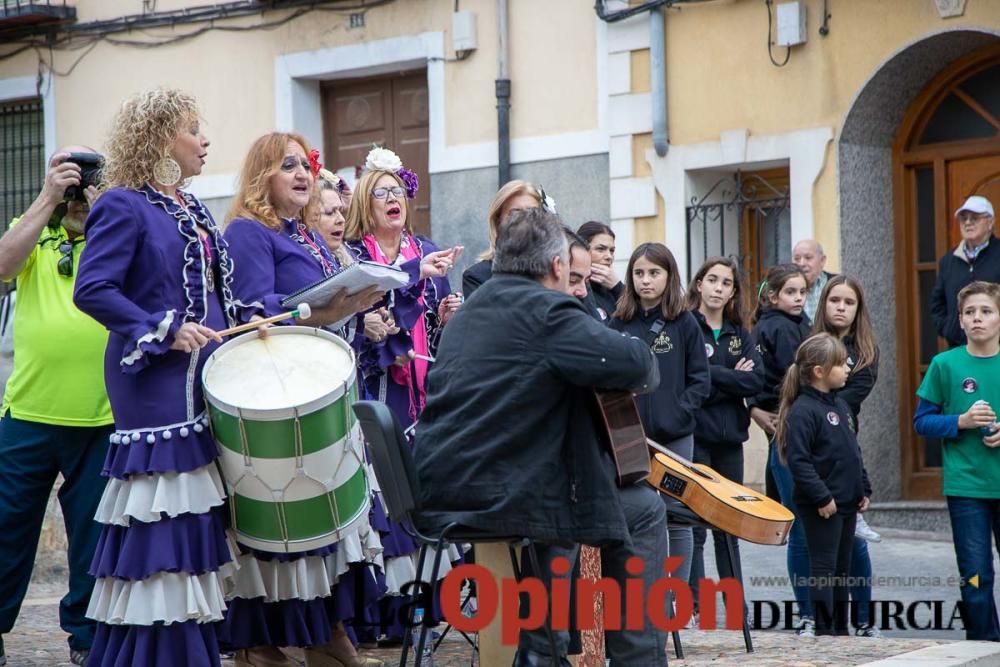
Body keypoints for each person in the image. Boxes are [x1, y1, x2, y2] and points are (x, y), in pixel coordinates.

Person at [414, 208, 668, 666]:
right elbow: (639, 366)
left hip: (444, 489)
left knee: (570, 498)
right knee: (644, 509)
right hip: (507, 492)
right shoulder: (549, 312)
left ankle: (541, 648)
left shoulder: (468, 316)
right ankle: (619, 659)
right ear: (556, 266)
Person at [72, 88, 248, 666]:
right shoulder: (123, 204)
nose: (205, 140)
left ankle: (190, 647)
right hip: (151, 382)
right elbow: (92, 289)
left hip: (200, 379)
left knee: (194, 512)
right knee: (163, 512)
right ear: (160, 139)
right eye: (193, 129)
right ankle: (156, 654)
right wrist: (163, 329)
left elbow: (215, 296)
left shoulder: (191, 209)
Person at [221, 133, 385, 667]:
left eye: (305, 165)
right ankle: (264, 644)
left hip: (315, 388)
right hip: (277, 394)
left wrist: (350, 301)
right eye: (286, 165)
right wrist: (334, 308)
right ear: (261, 175)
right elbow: (252, 315)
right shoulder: (249, 232)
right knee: (286, 526)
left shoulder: (299, 232)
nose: (302, 173)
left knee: (327, 521)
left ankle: (327, 633)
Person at [344, 147, 463, 645]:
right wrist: (369, 327)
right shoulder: (354, 255)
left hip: (422, 393)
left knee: (421, 488)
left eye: (397, 192)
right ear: (365, 206)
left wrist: (447, 319)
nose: (392, 200)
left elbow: (438, 335)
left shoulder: (427, 248)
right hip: (377, 392)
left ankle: (422, 605)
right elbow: (348, 321)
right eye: (380, 193)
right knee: (386, 492)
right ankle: (385, 613)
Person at [0, 147, 112, 667]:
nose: (79, 186)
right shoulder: (34, 224)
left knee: (92, 537)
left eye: (87, 176)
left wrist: (104, 203)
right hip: (28, 412)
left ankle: (86, 639)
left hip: (101, 415)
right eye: (72, 174)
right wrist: (47, 197)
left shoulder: (112, 231)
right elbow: (2, 266)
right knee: (6, 528)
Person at [610, 243, 711, 595]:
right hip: (629, 437)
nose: (645, 280)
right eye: (639, 273)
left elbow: (701, 379)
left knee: (677, 517)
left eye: (654, 273)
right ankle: (639, 598)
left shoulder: (685, 323)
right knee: (636, 514)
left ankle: (674, 602)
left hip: (676, 436)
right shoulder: (618, 321)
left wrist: (679, 411)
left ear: (669, 277)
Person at [914, 280, 1000, 641]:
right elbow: (922, 421)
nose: (977, 318)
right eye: (969, 312)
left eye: (986, 311)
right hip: (966, 488)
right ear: (960, 321)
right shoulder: (944, 364)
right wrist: (960, 422)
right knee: (976, 574)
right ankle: (983, 648)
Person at [684, 257, 763, 626]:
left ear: (733, 291)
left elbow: (754, 382)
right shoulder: (686, 327)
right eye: (711, 280)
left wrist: (714, 378)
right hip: (695, 439)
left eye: (726, 283)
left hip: (730, 441)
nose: (718, 287)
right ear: (699, 284)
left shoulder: (739, 333)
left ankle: (736, 611)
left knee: (729, 528)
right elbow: (689, 381)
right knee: (694, 526)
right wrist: (728, 377)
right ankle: (696, 607)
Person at [776, 333, 872, 636]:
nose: (848, 368)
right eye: (841, 364)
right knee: (824, 568)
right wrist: (821, 497)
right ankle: (824, 629)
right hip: (822, 506)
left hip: (846, 503)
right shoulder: (804, 411)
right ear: (819, 371)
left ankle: (840, 630)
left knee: (842, 570)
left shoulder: (840, 406)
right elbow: (799, 462)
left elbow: (852, 451)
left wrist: (863, 488)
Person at [748, 263, 814, 635]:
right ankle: (808, 608)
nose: (798, 298)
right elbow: (794, 375)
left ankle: (814, 608)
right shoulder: (781, 328)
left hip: (785, 427)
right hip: (789, 429)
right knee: (802, 523)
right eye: (790, 292)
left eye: (802, 292)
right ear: (773, 296)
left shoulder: (794, 324)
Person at [930, 196, 1000, 348]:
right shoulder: (948, 261)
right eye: (963, 218)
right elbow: (937, 304)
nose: (968, 223)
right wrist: (948, 328)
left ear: (990, 222)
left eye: (974, 218)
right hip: (959, 348)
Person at [462, 179, 549, 296]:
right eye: (515, 213)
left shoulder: (555, 268)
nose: (524, 220)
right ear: (498, 220)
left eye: (532, 212)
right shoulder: (478, 276)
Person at [576, 221, 623, 322]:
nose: (609, 257)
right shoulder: (575, 290)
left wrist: (618, 288)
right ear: (582, 250)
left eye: (612, 251)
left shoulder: (614, 289)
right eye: (601, 249)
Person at [792, 239, 833, 322]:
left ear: (822, 260)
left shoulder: (836, 284)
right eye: (797, 259)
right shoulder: (785, 288)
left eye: (808, 258)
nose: (801, 264)